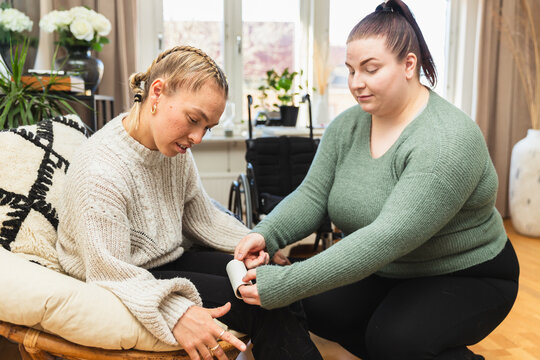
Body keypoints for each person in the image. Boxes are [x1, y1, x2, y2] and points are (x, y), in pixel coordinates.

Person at [234, 1, 520, 359]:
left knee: (394, 341)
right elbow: (312, 196)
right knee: (318, 310)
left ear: (409, 65)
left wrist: (285, 283)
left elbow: (387, 237)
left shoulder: (447, 141)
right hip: (388, 267)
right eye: (351, 70)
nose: (356, 83)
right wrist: (266, 234)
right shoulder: (347, 126)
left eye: (370, 69)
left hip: (466, 273)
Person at [56, 46, 322, 360]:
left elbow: (201, 216)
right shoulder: (101, 172)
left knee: (275, 285)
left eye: (207, 128)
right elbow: (110, 273)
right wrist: (176, 311)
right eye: (193, 119)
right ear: (157, 93)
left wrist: (250, 242)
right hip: (127, 272)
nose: (197, 137)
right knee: (260, 305)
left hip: (164, 261)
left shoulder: (173, 150)